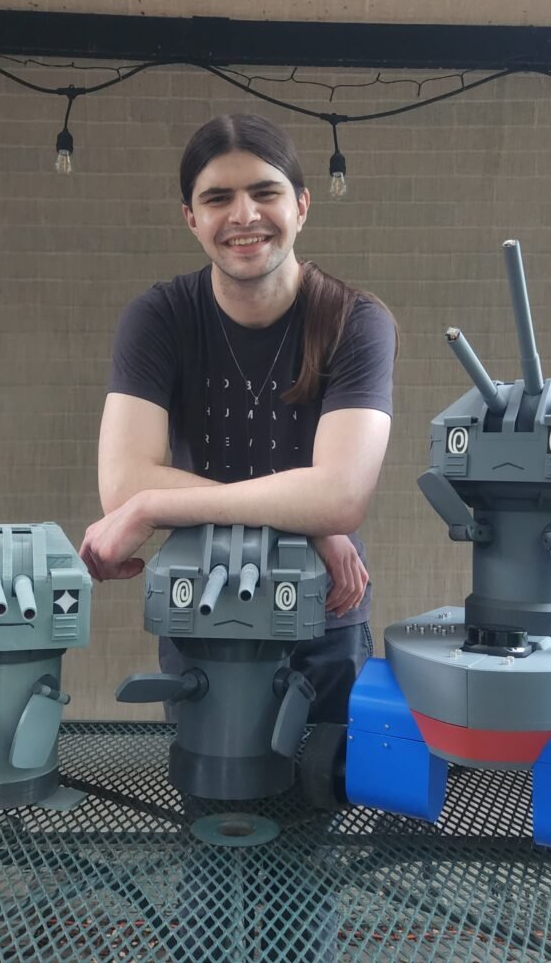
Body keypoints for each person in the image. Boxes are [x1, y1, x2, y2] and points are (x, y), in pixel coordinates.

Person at [79, 112, 396, 724]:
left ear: (301, 205)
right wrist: (307, 522)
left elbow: (342, 494)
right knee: (210, 802)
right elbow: (122, 485)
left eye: (265, 192)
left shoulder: (356, 322)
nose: (244, 215)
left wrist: (155, 504)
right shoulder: (159, 319)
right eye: (218, 198)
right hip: (201, 604)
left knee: (320, 801)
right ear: (191, 218)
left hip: (324, 610)